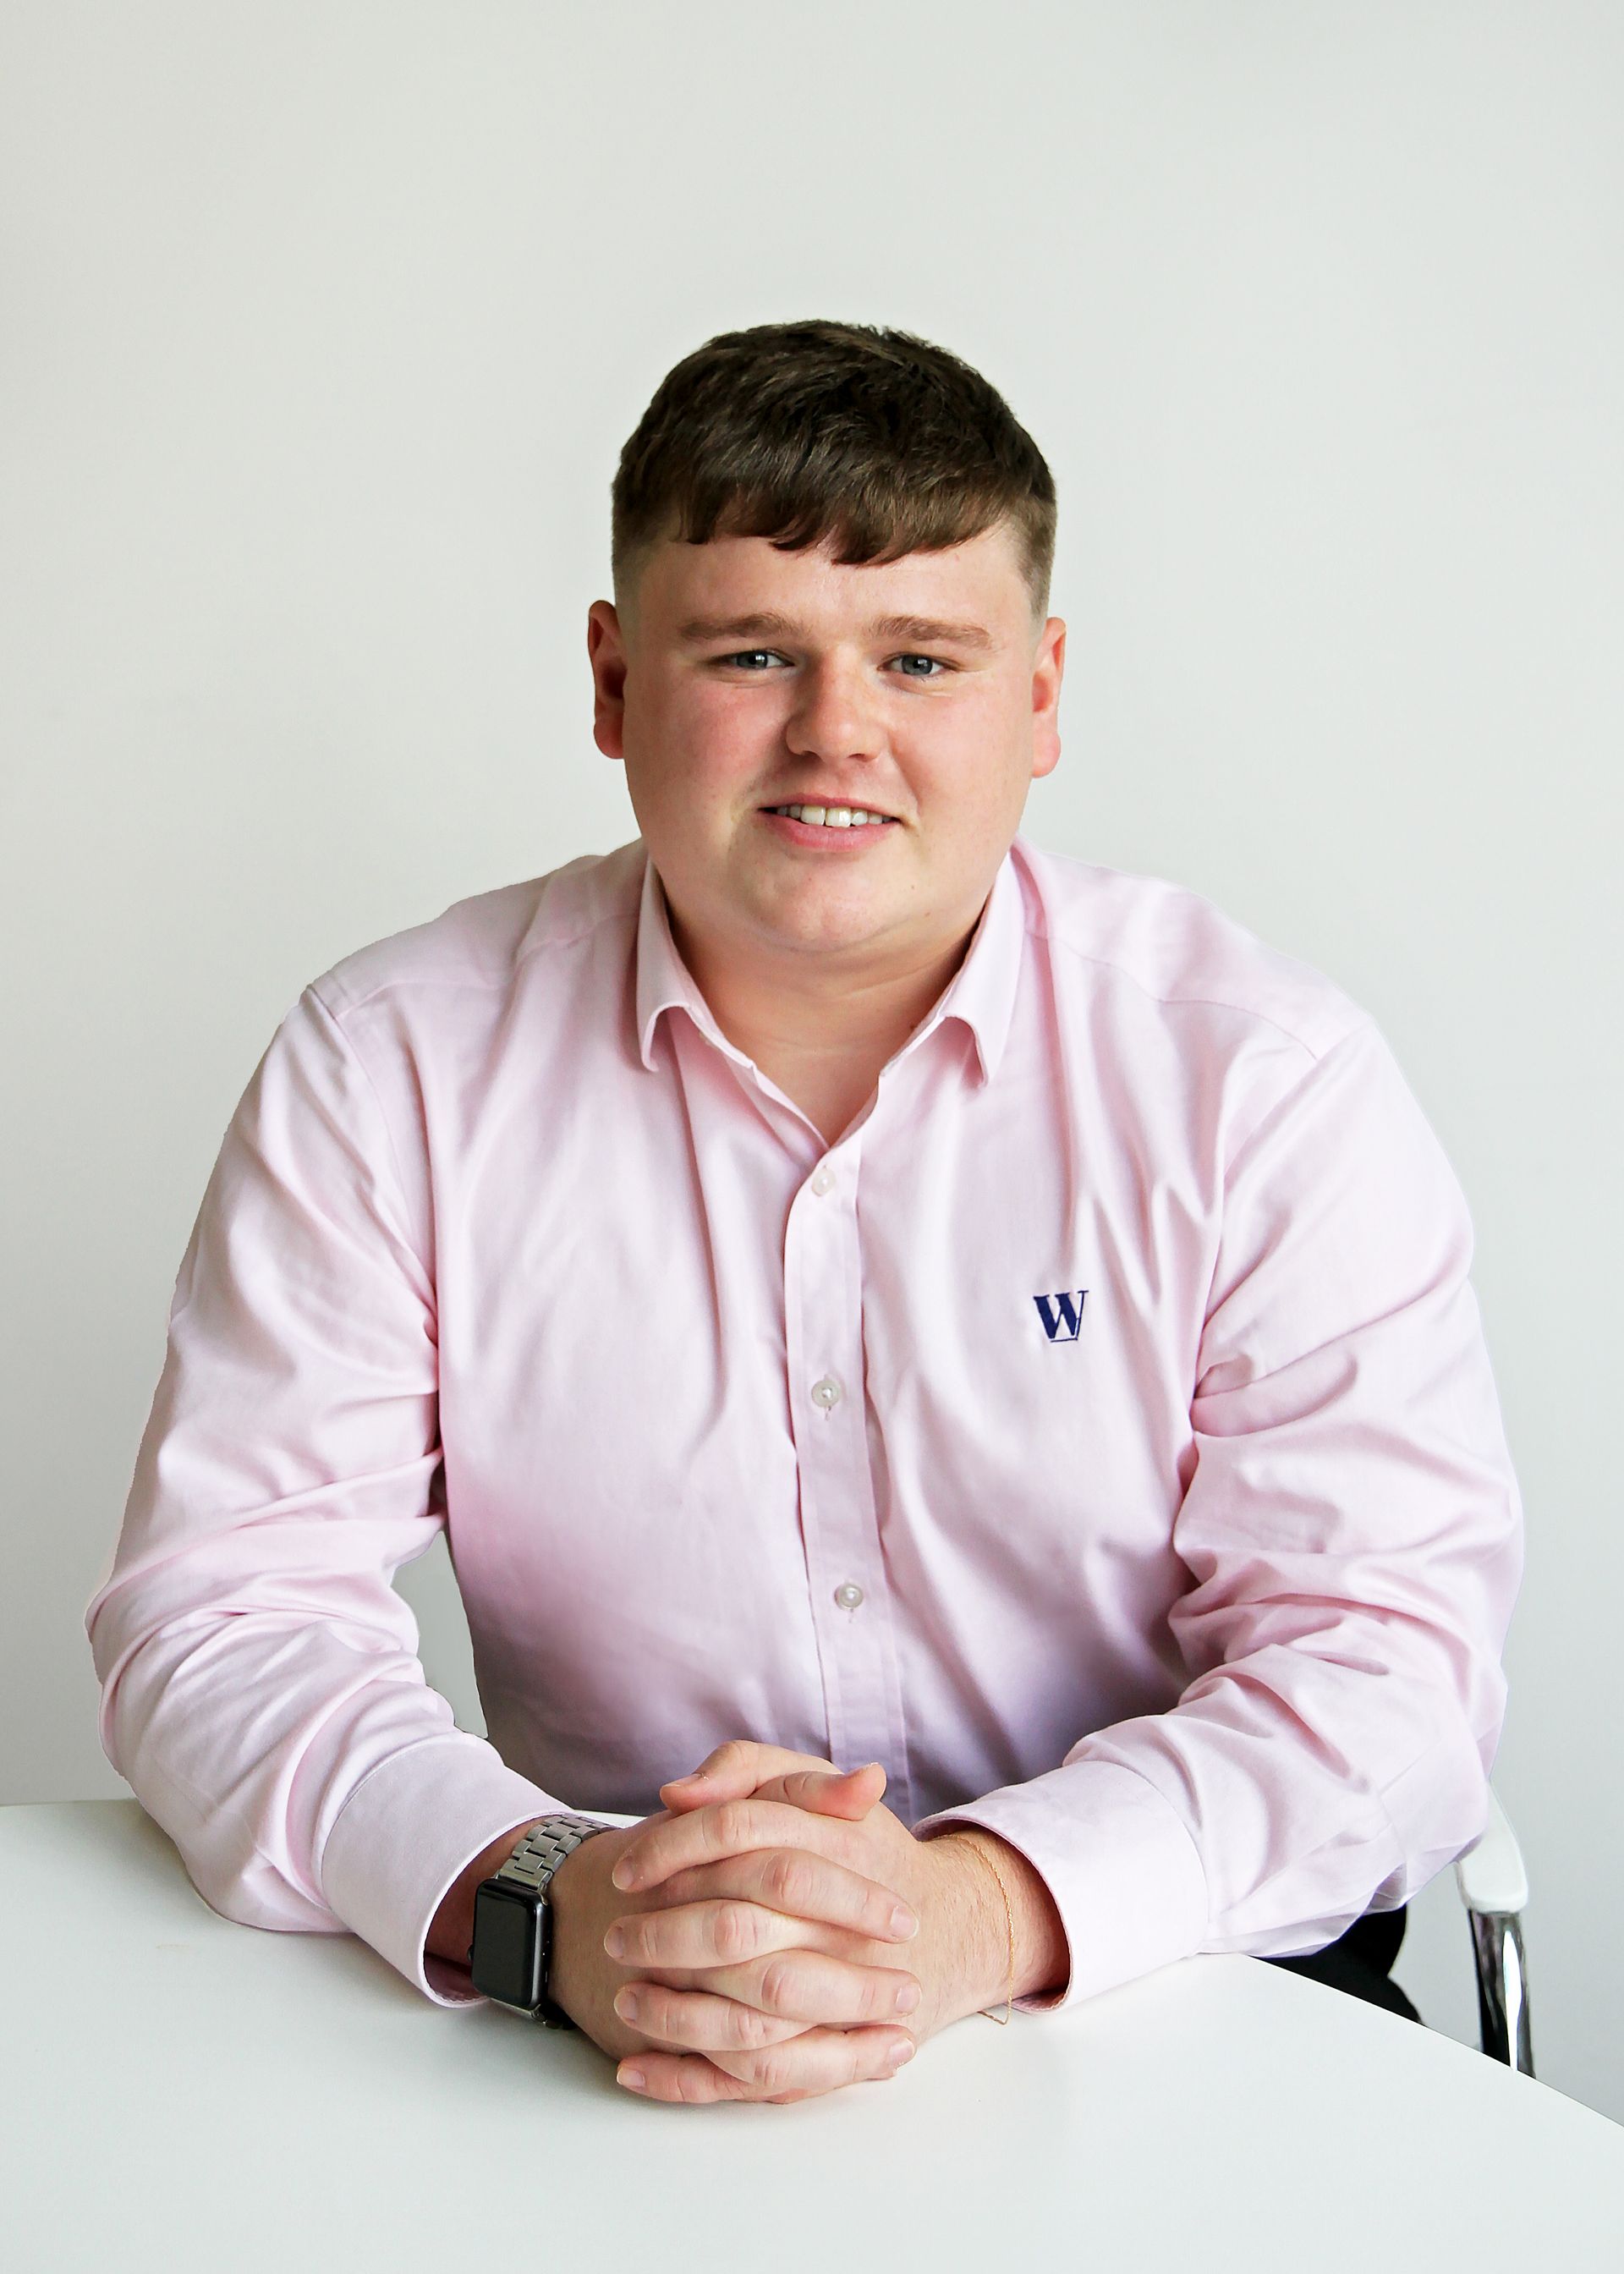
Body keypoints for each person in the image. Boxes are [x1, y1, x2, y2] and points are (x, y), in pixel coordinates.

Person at [85, 318, 1523, 2107]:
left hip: (1191, 2001)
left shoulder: (1260, 1080)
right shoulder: (393, 1066)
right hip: (613, 2017)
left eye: (921, 659)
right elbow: (225, 1617)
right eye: (754, 652)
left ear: (1041, 696)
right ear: (614, 681)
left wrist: (972, 1912)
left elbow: (1385, 1668)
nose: (837, 733)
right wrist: (548, 1897)